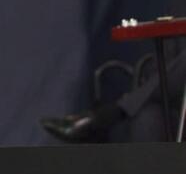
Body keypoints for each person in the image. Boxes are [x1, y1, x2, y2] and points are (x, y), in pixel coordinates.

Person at [41, 50, 186, 142]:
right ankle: (114, 113)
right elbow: (157, 67)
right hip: (177, 112)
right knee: (148, 118)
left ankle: (109, 114)